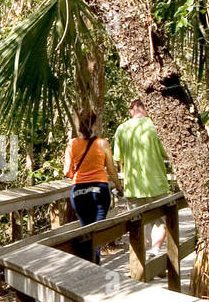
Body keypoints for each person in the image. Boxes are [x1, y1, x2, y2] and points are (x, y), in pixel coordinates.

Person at [112, 98, 171, 252]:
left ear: (132, 111)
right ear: (145, 108)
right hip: (156, 183)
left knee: (137, 223)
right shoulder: (155, 126)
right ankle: (156, 250)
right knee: (160, 221)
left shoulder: (121, 129)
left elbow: (119, 159)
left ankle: (142, 261)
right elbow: (166, 154)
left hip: (133, 185)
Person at [63, 109, 121, 263]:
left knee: (86, 231)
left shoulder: (72, 144)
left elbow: (67, 171)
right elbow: (112, 170)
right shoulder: (102, 144)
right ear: (94, 125)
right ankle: (94, 266)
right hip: (99, 190)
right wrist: (119, 187)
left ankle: (90, 265)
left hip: (79, 192)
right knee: (96, 231)